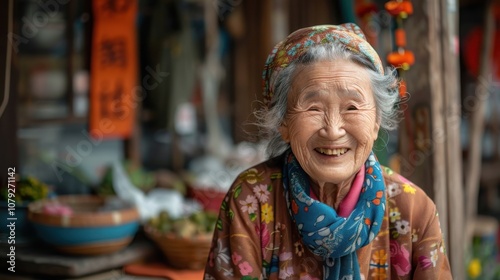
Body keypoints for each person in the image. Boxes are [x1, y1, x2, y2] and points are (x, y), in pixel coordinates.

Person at [204, 23, 452, 279]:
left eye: (352, 108)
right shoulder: (251, 201)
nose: (333, 131)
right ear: (284, 123)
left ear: (376, 121)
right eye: (313, 108)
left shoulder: (413, 209)